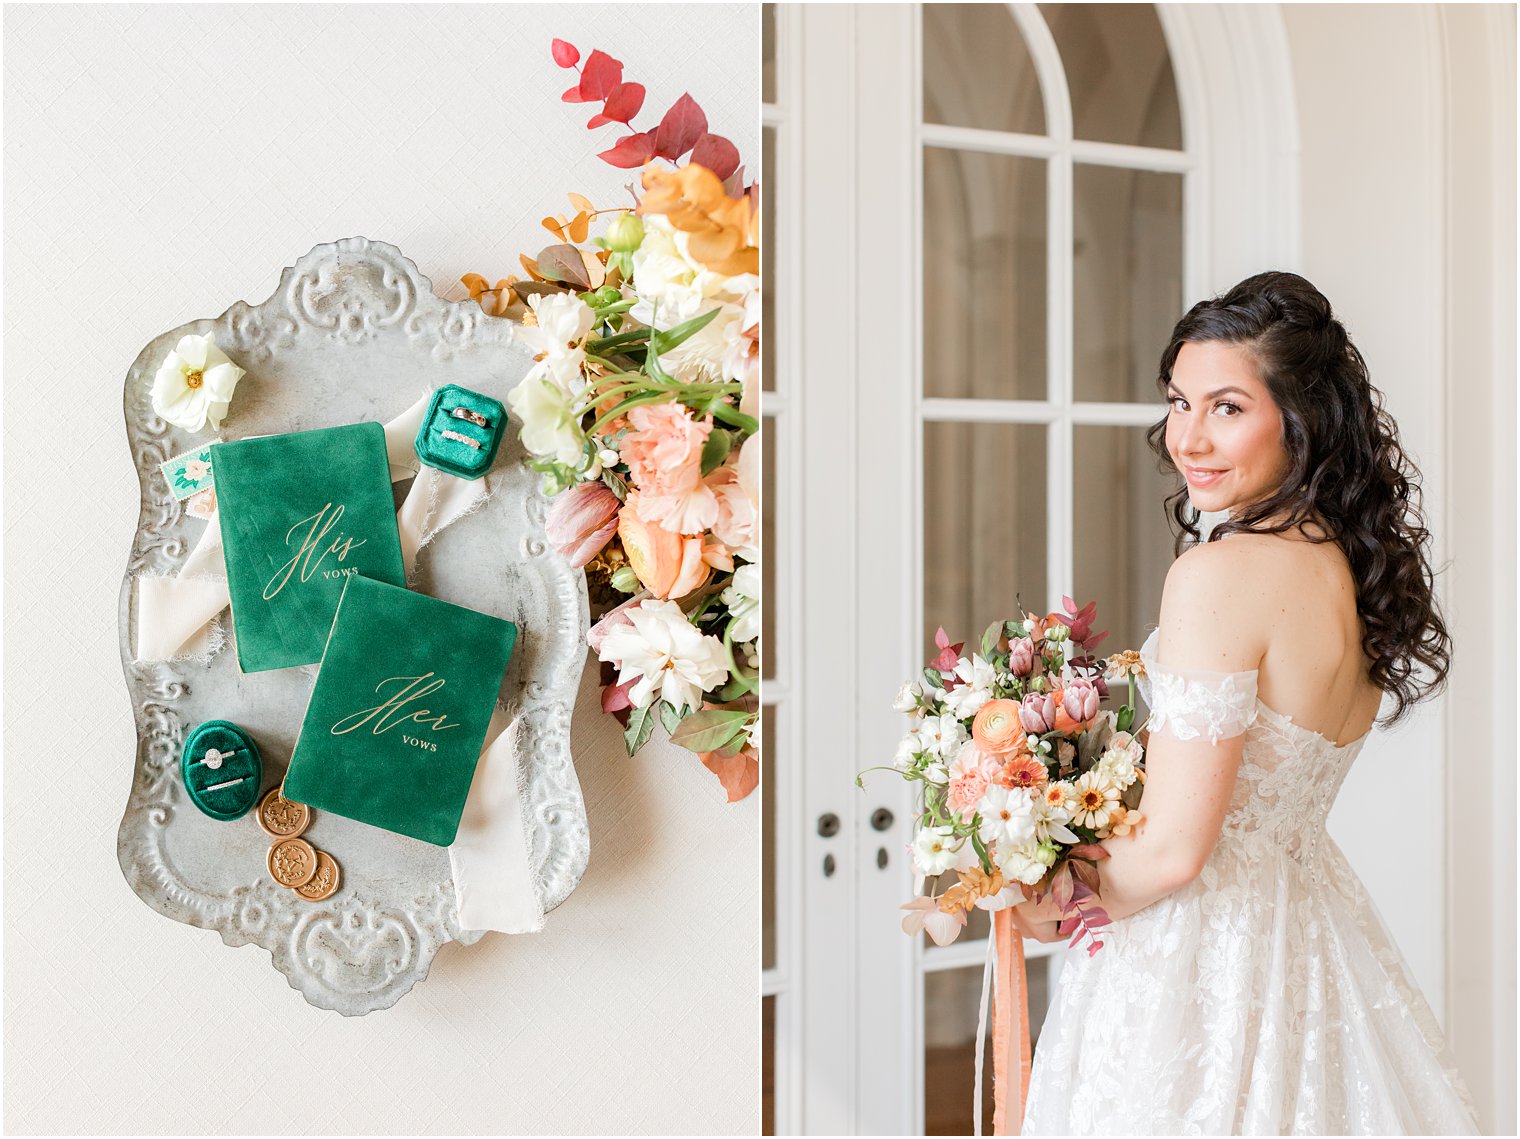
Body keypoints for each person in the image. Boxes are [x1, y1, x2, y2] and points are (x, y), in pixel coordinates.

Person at [1011, 272, 1481, 1135]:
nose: (1188, 437)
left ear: (1301, 421)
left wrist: (1050, 906)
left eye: (1227, 406)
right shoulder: (1350, 569)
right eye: (1180, 402)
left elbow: (1177, 852)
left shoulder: (1217, 575)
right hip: (1311, 941)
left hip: (1193, 968)